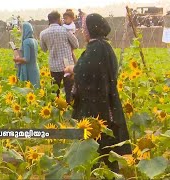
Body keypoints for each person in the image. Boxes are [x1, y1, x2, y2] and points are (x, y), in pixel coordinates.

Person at [64, 13, 132, 173]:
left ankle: (97, 169)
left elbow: (86, 70)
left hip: (95, 102)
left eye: (84, 28)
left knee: (96, 134)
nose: (82, 31)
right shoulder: (104, 46)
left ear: (92, 29)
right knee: (106, 134)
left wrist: (72, 69)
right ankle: (108, 168)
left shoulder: (96, 48)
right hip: (105, 98)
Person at [40, 11, 79, 103]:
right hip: (67, 66)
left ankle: (55, 110)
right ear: (58, 19)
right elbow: (76, 45)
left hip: (54, 66)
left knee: (55, 91)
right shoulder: (65, 30)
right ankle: (69, 110)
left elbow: (44, 49)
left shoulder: (43, 33)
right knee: (69, 91)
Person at [14, 22, 40, 88]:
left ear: (25, 30)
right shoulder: (34, 41)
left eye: (21, 29)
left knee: (28, 90)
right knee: (35, 89)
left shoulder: (26, 42)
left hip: (28, 69)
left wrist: (17, 59)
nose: (21, 31)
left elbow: (26, 59)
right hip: (35, 68)